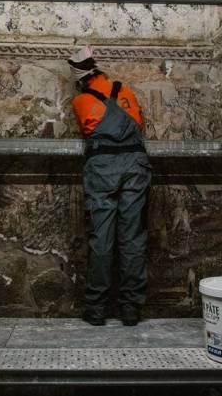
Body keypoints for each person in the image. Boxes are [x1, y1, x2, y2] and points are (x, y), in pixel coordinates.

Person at [68, 45, 152, 326]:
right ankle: (130, 310)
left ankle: (96, 309)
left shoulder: (80, 102)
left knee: (101, 238)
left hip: (103, 167)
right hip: (136, 166)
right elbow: (138, 123)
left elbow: (89, 129)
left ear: (80, 79)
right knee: (132, 238)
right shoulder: (125, 91)